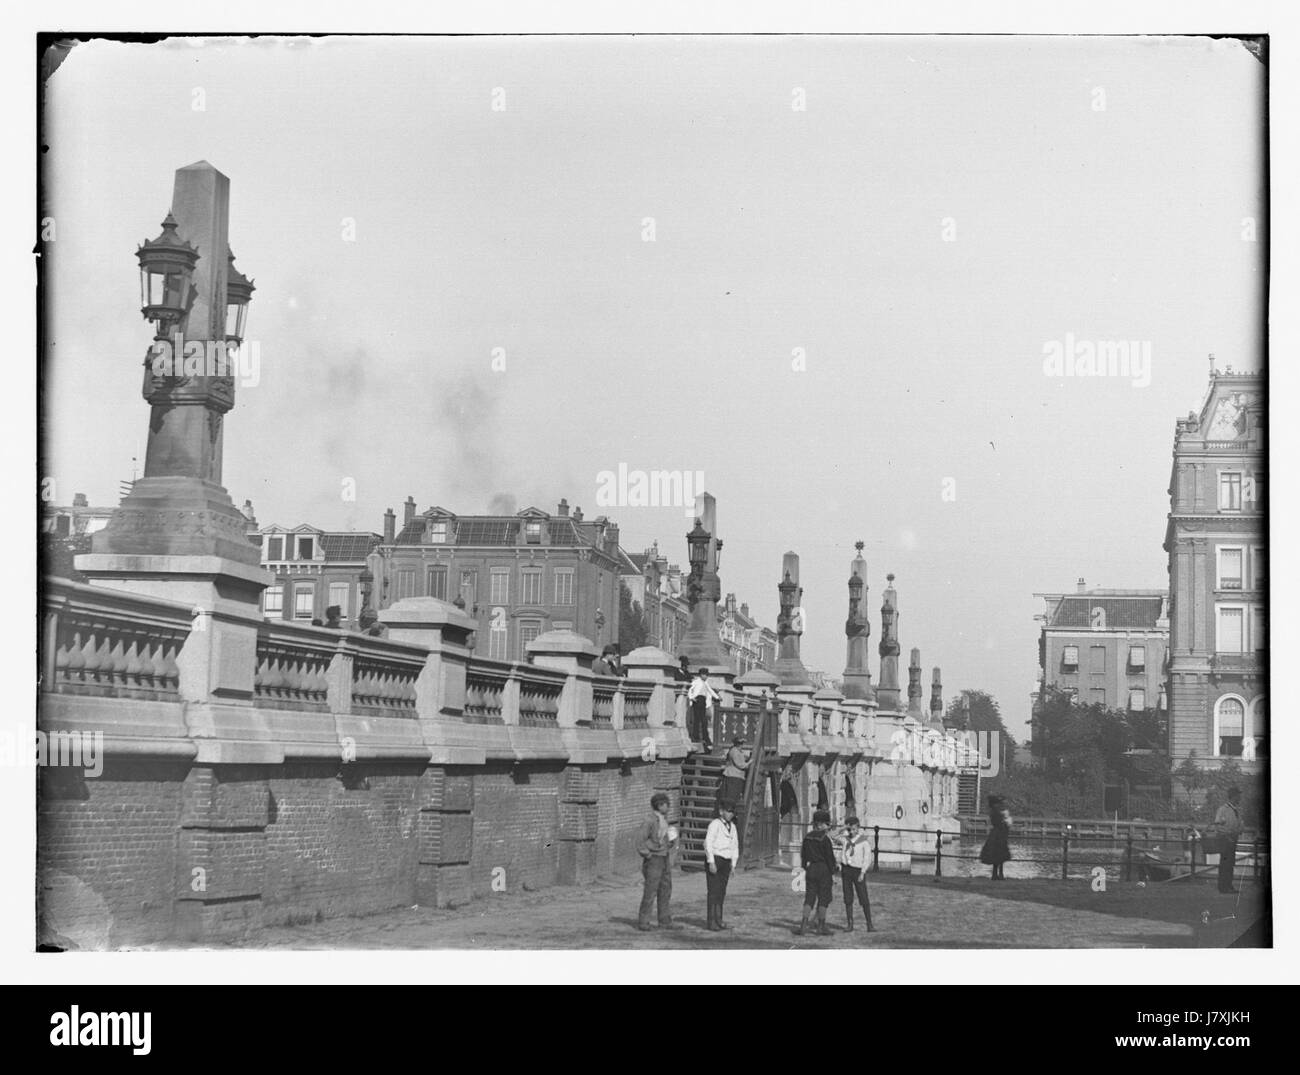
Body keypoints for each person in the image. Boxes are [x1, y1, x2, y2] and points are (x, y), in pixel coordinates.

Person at [636, 792, 680, 931]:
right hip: (654, 859)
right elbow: (640, 840)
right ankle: (644, 922)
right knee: (650, 890)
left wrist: (670, 842)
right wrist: (647, 855)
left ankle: (665, 920)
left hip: (664, 856)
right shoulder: (649, 821)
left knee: (665, 889)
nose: (667, 807)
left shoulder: (664, 820)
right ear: (659, 805)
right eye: (665, 804)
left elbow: (663, 839)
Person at [795, 809, 837, 936]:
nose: (828, 826)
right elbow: (830, 858)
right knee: (824, 898)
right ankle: (821, 926)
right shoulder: (825, 839)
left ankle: (803, 924)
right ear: (821, 824)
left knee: (809, 898)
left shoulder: (807, 837)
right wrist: (833, 872)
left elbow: (803, 855)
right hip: (823, 870)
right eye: (827, 824)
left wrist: (804, 868)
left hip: (811, 869)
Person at [834, 815, 875, 932]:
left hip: (858, 871)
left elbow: (867, 858)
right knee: (848, 897)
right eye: (850, 829)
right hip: (846, 871)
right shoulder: (845, 839)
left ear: (858, 828)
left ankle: (869, 924)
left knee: (863, 897)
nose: (852, 831)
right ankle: (850, 924)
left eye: (854, 829)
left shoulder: (863, 842)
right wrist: (843, 827)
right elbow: (832, 836)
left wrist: (863, 872)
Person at [704, 801, 740, 931]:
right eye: (728, 811)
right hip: (716, 858)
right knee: (713, 891)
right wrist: (711, 862)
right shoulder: (715, 824)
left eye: (732, 812)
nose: (730, 814)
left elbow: (735, 845)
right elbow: (708, 843)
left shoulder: (733, 827)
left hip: (726, 860)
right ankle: (711, 921)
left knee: (721, 892)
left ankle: (719, 919)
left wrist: (733, 864)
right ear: (721, 811)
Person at [1211, 787, 1244, 894]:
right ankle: (1223, 886)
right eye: (1238, 795)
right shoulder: (1223, 809)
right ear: (1234, 796)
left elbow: (1239, 824)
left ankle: (1228, 885)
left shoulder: (1236, 810)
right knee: (1225, 863)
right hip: (1225, 840)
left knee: (1230, 863)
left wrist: (1239, 830)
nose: (1240, 797)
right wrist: (1227, 834)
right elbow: (1217, 825)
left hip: (1233, 839)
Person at [979, 794, 1012, 880]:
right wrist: (1006, 821)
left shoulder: (993, 811)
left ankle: (995, 874)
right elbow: (1001, 823)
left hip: (995, 834)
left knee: (996, 855)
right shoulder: (997, 811)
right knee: (1000, 855)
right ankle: (999, 875)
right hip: (999, 834)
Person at [687, 668, 718, 753]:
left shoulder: (705, 683)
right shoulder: (696, 682)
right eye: (705, 675)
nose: (706, 676)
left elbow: (710, 690)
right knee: (697, 720)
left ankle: (704, 737)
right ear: (701, 675)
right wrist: (691, 698)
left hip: (703, 701)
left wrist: (717, 697)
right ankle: (696, 737)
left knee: (703, 721)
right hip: (698, 700)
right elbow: (689, 689)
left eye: (707, 675)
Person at [718, 736, 751, 806]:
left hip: (737, 776)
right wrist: (749, 763)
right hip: (733, 776)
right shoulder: (734, 751)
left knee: (735, 795)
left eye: (742, 743)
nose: (742, 745)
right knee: (732, 795)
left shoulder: (737, 751)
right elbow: (740, 764)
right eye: (740, 743)